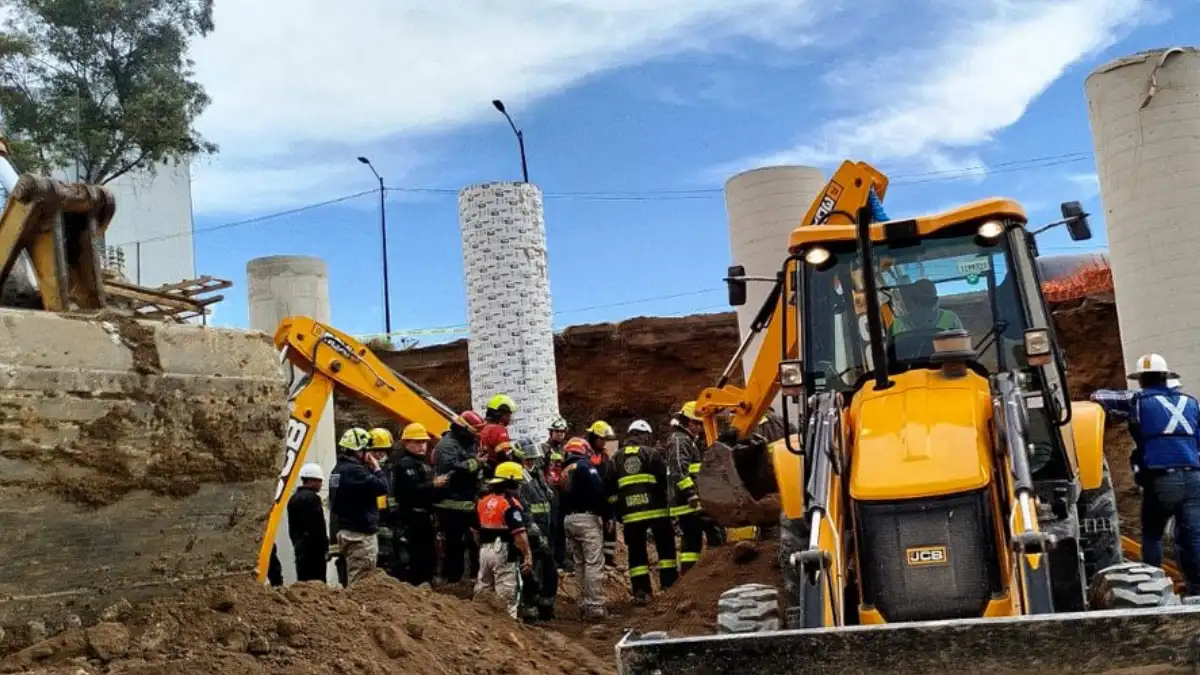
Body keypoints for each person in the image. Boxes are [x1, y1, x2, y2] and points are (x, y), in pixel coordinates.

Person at [1091, 353, 1200, 595]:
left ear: (1141, 380)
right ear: (1166, 377)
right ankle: (1197, 594)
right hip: (1194, 478)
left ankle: (1153, 589)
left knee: (1152, 535)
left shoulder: (1138, 400)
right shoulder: (1191, 403)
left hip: (1162, 480)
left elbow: (1099, 397)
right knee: (1193, 537)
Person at [616, 420, 678, 604]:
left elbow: (610, 487)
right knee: (666, 551)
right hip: (657, 512)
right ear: (645, 436)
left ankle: (641, 592)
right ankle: (670, 587)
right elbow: (664, 482)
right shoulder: (651, 454)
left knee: (636, 555)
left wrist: (618, 511)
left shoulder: (616, 458)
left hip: (631, 516)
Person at [329, 427, 390, 585]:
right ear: (358, 450)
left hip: (345, 531)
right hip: (360, 535)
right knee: (361, 581)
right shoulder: (355, 471)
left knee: (352, 576)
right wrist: (376, 468)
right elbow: (383, 487)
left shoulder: (338, 470)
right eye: (367, 450)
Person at [474, 461, 535, 619]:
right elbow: (519, 534)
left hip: (484, 550)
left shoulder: (483, 501)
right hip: (503, 550)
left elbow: (475, 529)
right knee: (507, 594)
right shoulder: (510, 504)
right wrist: (527, 556)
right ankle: (506, 628)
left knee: (483, 589)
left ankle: (480, 623)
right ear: (510, 481)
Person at [432, 410, 487, 584]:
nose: (476, 436)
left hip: (469, 501)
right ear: (464, 429)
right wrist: (475, 463)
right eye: (474, 431)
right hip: (451, 504)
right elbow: (453, 471)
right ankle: (453, 580)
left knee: (475, 541)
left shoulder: (467, 442)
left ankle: (474, 576)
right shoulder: (447, 446)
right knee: (454, 544)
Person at [391, 422, 447, 586]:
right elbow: (411, 490)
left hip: (425, 516)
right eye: (417, 442)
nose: (422, 446)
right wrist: (434, 485)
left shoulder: (423, 464)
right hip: (412, 517)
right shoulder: (404, 465)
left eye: (423, 442)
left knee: (428, 555)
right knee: (416, 556)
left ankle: (425, 581)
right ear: (407, 443)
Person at [559, 437, 609, 618]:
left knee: (579, 564)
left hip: (568, 520)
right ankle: (595, 606)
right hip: (586, 519)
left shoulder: (564, 470)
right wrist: (606, 514)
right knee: (593, 563)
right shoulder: (585, 466)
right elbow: (598, 490)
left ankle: (582, 602)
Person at [514, 439, 558, 621]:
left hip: (544, 530)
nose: (532, 463)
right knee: (530, 573)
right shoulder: (518, 479)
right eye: (528, 460)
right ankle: (529, 608)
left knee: (548, 570)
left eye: (533, 459)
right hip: (531, 533)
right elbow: (524, 509)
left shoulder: (535, 476)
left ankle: (545, 606)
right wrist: (533, 532)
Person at [666, 402, 706, 573]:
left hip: (689, 500)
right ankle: (690, 577)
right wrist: (691, 494)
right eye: (699, 424)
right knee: (691, 540)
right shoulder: (680, 440)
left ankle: (691, 577)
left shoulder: (687, 440)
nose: (702, 428)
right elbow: (679, 470)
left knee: (693, 540)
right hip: (686, 502)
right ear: (690, 422)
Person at [287, 462, 330, 583]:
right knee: (317, 583)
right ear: (311, 481)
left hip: (300, 549)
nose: (321, 484)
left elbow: (292, 528)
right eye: (319, 481)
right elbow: (319, 527)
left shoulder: (293, 499)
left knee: (303, 583)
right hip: (314, 551)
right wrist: (325, 547)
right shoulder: (313, 499)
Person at [585, 421, 620, 567]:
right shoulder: (586, 455)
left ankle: (609, 557)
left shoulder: (605, 456)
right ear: (593, 438)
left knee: (610, 525)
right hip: (590, 498)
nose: (604, 442)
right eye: (601, 439)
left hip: (605, 498)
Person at [542, 418, 570, 571]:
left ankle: (561, 558)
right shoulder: (543, 449)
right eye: (557, 431)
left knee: (561, 527)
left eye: (562, 432)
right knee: (550, 526)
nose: (560, 435)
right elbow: (538, 470)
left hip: (562, 492)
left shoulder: (565, 451)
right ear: (551, 432)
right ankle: (550, 559)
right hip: (549, 492)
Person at [888, 278, 963, 336]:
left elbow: (961, 347)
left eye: (928, 301)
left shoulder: (951, 318)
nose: (925, 308)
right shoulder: (897, 325)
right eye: (921, 301)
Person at [368, 427, 397, 573]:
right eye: (375, 451)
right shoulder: (365, 472)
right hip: (373, 522)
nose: (379, 454)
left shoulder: (391, 470)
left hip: (390, 522)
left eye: (382, 451)